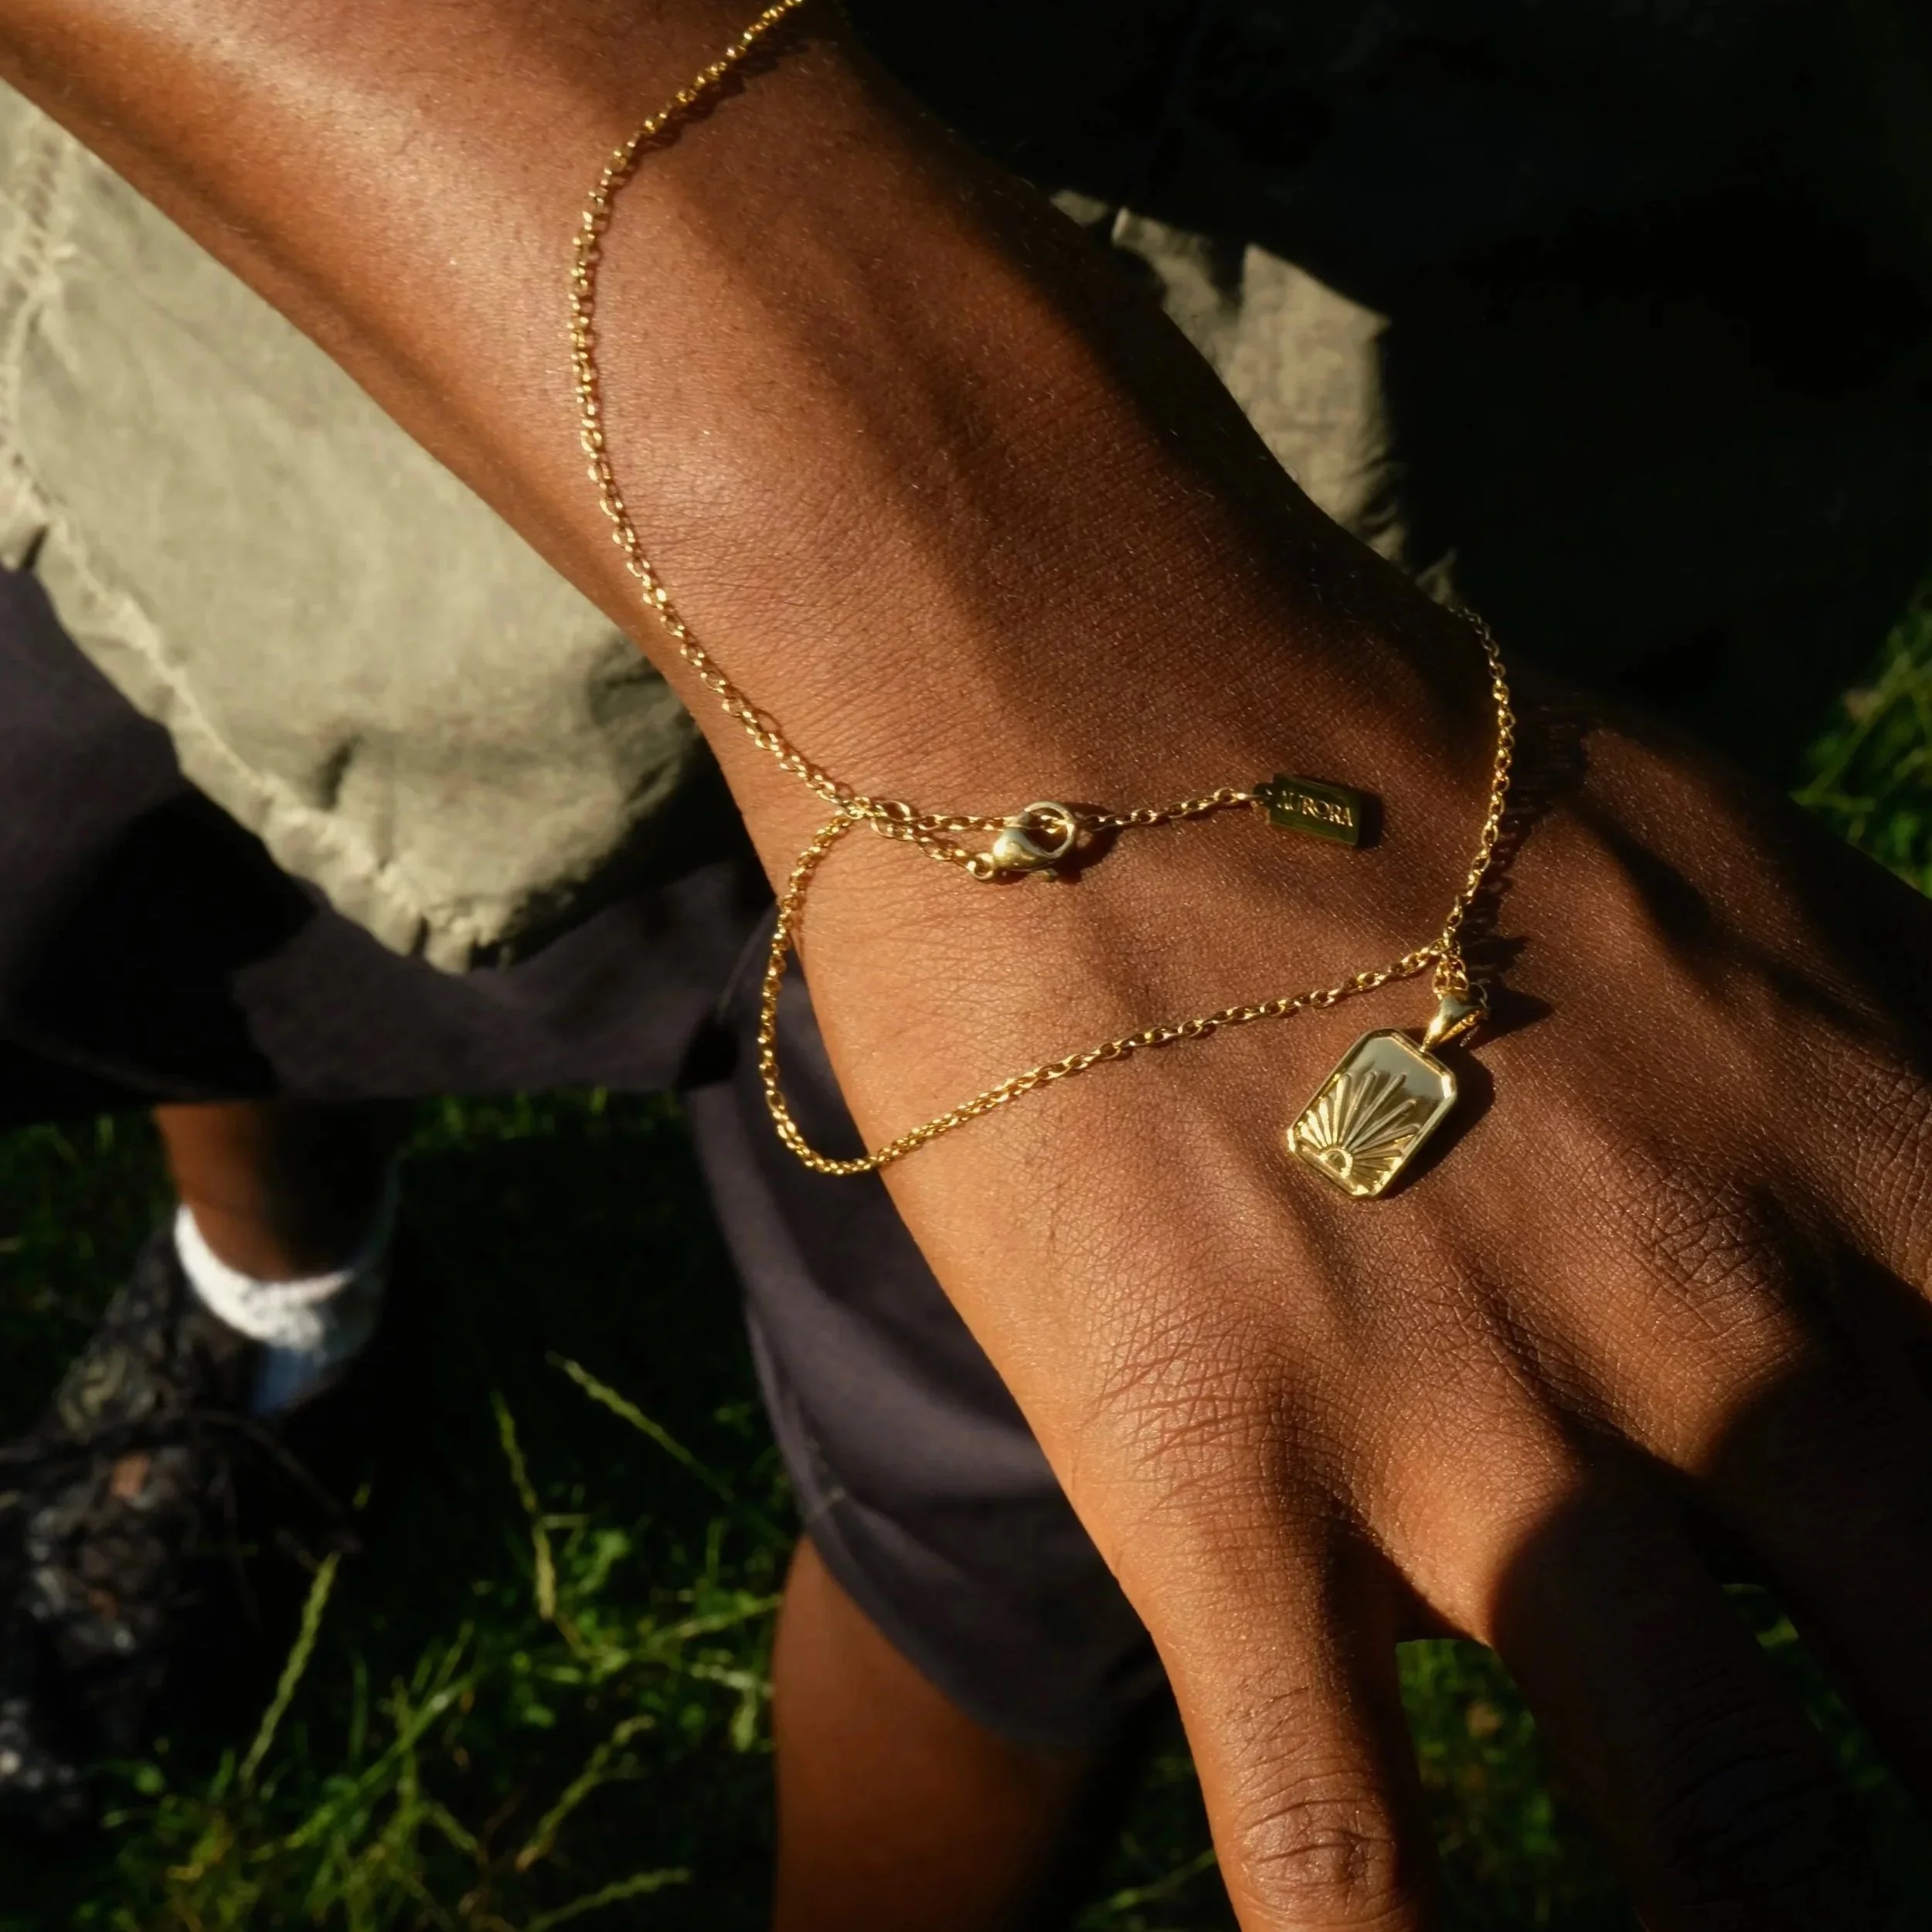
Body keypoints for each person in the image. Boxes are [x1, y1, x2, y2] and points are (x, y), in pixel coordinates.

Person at [0, 2, 1929, 1927]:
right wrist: (890, 497)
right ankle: (273, 1292)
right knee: (201, 907)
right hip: (305, 284)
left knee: (1068, 1462)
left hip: (1467, 336)